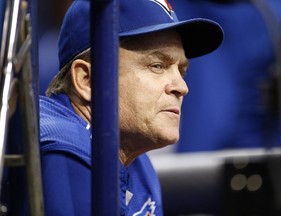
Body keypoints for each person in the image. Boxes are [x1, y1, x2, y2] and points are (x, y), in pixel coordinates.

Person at [39, 0, 223, 215]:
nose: (181, 87)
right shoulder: (64, 151)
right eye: (157, 66)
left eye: (181, 71)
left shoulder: (137, 163)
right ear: (88, 80)